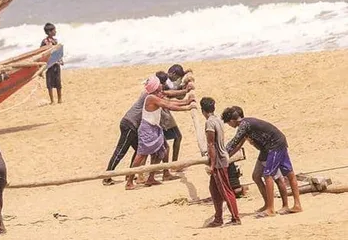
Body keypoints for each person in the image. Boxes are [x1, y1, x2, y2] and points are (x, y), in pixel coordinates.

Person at [222, 106, 302, 217]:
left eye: (228, 123)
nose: (230, 126)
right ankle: (268, 204)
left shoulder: (244, 125)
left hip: (274, 146)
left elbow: (234, 141)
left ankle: (272, 208)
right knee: (256, 176)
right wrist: (226, 157)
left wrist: (221, 153)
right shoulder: (247, 125)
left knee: (270, 175)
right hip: (268, 148)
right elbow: (239, 144)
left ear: (231, 120)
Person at [125, 75, 196, 190]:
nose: (161, 84)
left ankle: (153, 177)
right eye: (159, 84)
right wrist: (187, 107)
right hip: (147, 129)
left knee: (162, 150)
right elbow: (168, 105)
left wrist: (186, 102)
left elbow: (170, 101)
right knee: (141, 155)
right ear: (155, 87)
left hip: (155, 128)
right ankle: (129, 181)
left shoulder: (157, 95)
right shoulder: (151, 98)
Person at [200, 97, 241, 227]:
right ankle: (218, 218)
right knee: (214, 189)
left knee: (225, 190)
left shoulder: (210, 123)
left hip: (218, 161)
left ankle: (236, 218)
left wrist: (212, 165)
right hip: (220, 158)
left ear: (203, 110)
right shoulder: (217, 119)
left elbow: (211, 144)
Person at [40, 22, 63, 104]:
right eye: (54, 30)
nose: (55, 32)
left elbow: (57, 52)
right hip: (49, 65)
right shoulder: (44, 42)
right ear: (49, 32)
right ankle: (52, 100)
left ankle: (59, 99)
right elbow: (42, 53)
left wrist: (61, 60)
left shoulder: (55, 41)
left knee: (58, 81)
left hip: (56, 64)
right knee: (49, 82)